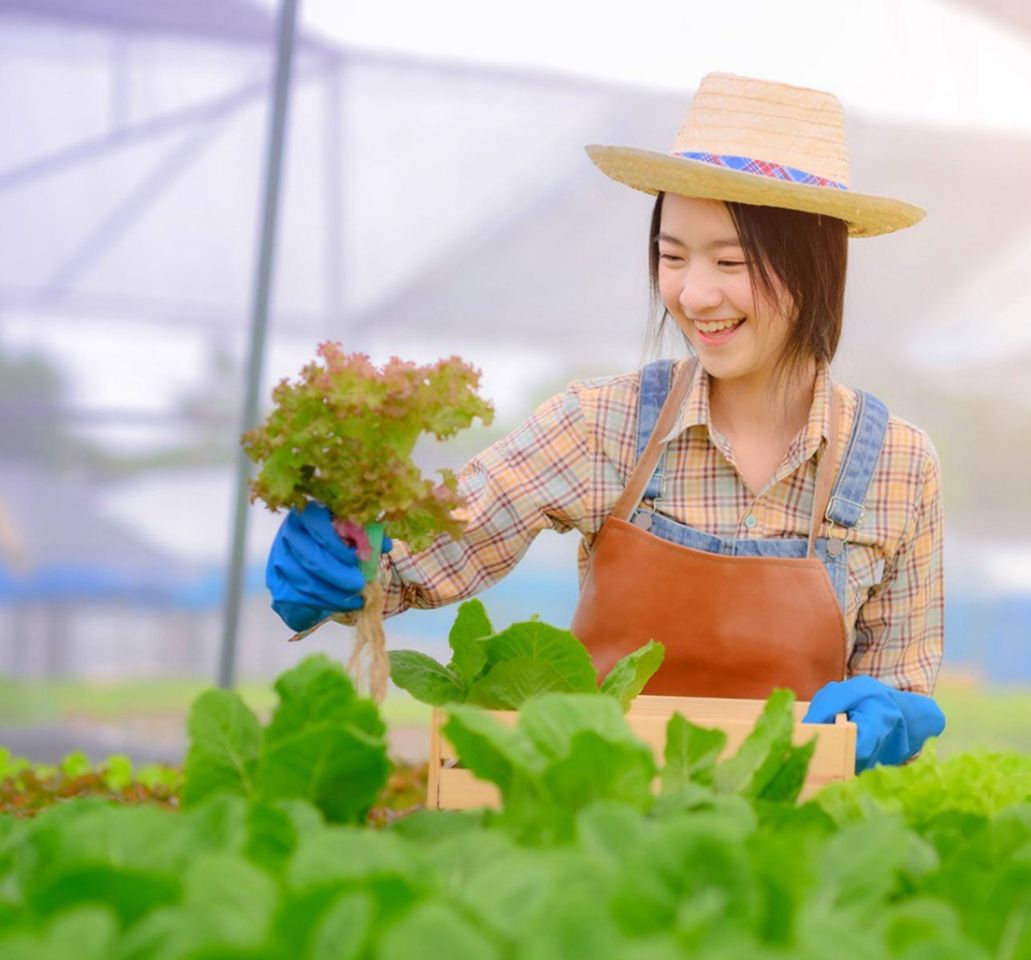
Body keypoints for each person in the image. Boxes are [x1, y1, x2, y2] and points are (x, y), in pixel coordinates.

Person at [267, 72, 946, 772]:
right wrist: (347, 557)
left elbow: (899, 684)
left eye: (732, 262)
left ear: (816, 267)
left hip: (781, 846)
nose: (693, 293)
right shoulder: (604, 426)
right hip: (596, 819)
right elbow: (428, 554)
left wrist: (891, 711)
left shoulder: (899, 465)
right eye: (672, 256)